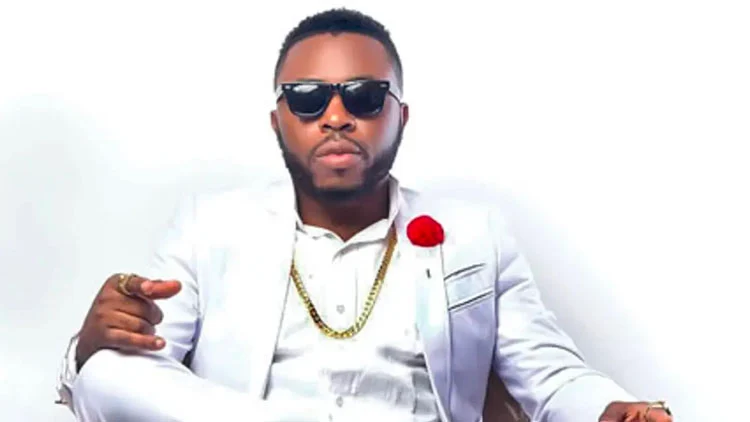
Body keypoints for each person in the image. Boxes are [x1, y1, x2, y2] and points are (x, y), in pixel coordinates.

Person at [55, 8, 673, 422]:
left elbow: (551, 374)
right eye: (307, 98)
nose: (336, 117)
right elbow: (138, 372)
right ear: (277, 121)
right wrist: (94, 343)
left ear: (400, 115)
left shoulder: (475, 235)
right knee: (107, 370)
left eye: (364, 96)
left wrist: (610, 408)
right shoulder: (209, 226)